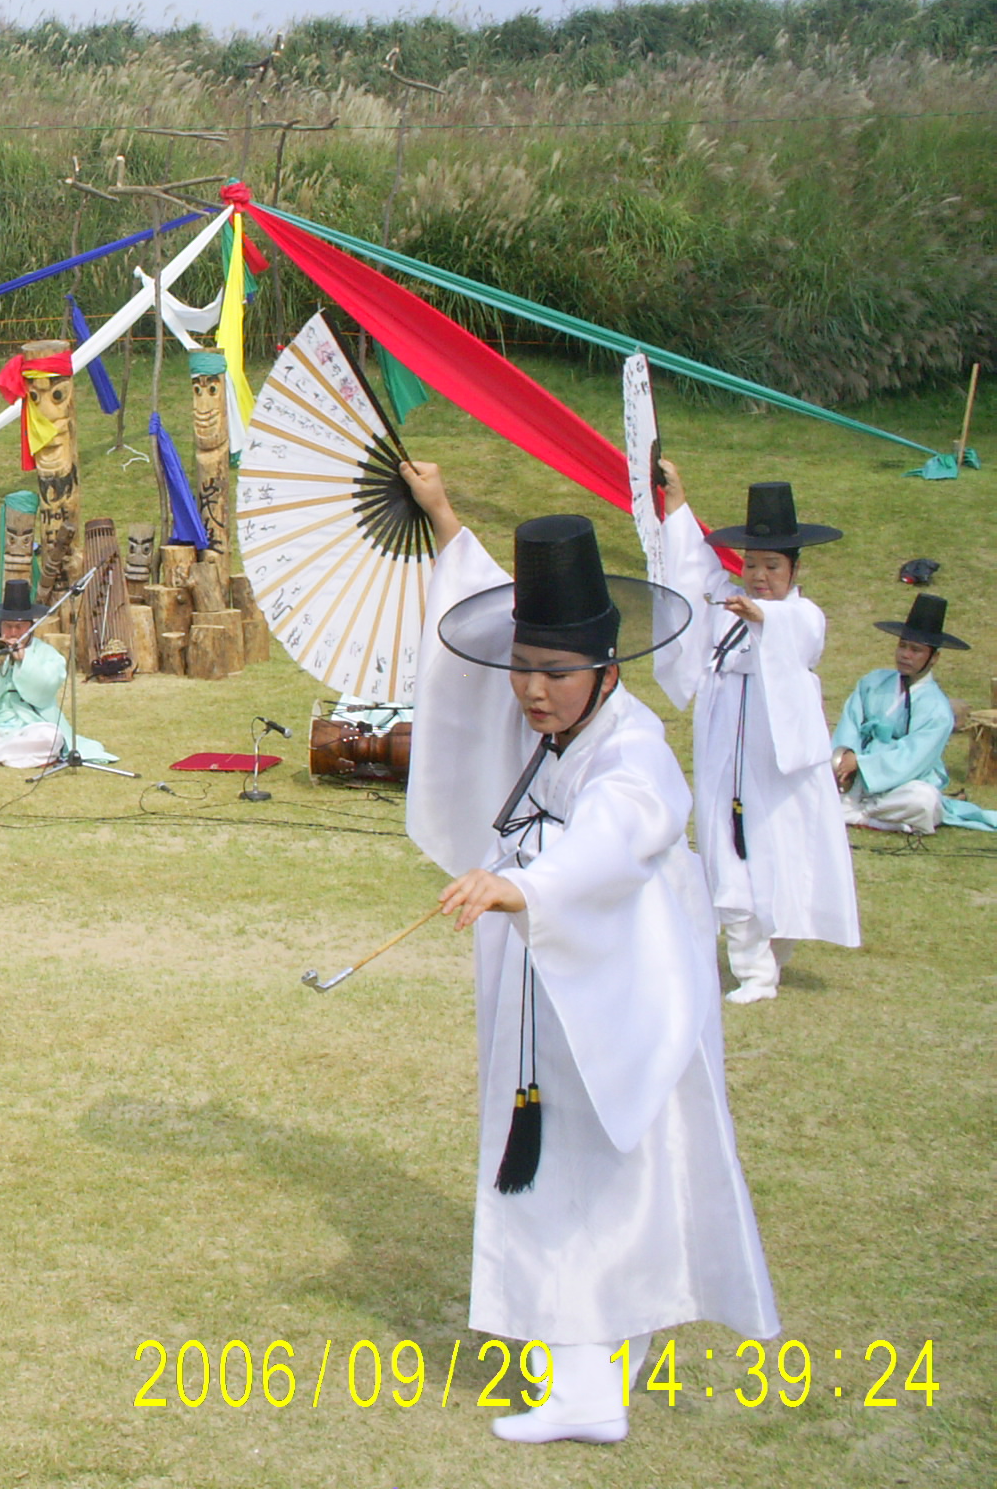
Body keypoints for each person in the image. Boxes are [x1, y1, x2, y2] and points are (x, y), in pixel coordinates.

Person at [400, 463, 778, 1446]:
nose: (529, 689)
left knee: (604, 1171)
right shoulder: (550, 723)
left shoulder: (632, 749)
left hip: (615, 995)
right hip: (541, 985)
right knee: (548, 1168)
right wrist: (442, 513)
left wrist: (524, 887)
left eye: (554, 672)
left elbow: (618, 834)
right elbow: (481, 588)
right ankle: (581, 1368)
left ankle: (590, 1378)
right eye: (521, 666)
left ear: (607, 671)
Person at [651, 471, 858, 1003]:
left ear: (794, 568)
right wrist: (677, 502)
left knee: (783, 852)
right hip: (727, 749)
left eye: (773, 566)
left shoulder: (801, 615)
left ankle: (774, 954)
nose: (759, 576)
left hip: (780, 759)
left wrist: (763, 617)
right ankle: (753, 971)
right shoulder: (728, 601)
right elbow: (693, 568)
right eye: (752, 565)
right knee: (729, 847)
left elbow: (800, 634)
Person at [833, 594, 997, 834]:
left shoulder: (937, 709)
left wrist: (862, 763)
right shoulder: (872, 682)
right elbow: (849, 725)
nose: (905, 655)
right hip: (854, 780)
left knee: (924, 800)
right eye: (902, 646)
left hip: (903, 782)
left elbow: (913, 758)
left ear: (934, 658)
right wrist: (844, 758)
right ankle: (863, 812)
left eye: (915, 650)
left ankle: (860, 815)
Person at [0, 580, 115, 768]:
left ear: (30, 626)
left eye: (19, 627)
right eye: (7, 626)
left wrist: (24, 661)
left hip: (35, 722)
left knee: (49, 737)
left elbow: (43, 693)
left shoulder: (47, 653)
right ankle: (10, 753)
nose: (12, 632)